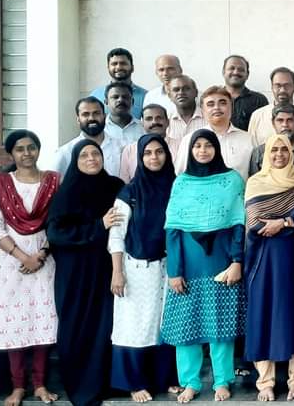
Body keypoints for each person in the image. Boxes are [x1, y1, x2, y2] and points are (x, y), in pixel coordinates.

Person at [161, 130, 246, 403]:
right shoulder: (181, 183)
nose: (202, 150)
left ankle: (222, 381)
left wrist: (236, 261)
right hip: (189, 264)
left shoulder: (232, 180)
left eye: (208, 145)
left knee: (221, 326)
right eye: (197, 146)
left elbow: (238, 224)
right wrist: (174, 271)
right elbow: (173, 230)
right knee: (186, 326)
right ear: (190, 150)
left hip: (221, 262)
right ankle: (190, 382)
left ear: (216, 149)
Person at [47, 140, 126, 406]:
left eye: (96, 153)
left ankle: (107, 382)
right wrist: (98, 225)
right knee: (77, 325)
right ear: (75, 161)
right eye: (84, 155)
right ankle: (82, 386)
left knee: (106, 324)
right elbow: (57, 234)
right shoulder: (66, 193)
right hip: (75, 273)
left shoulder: (115, 187)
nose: (91, 158)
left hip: (106, 268)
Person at [243, 134, 294, 402]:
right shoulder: (256, 183)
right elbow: (255, 223)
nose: (279, 154)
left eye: (284, 150)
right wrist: (293, 226)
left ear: (291, 153)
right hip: (263, 263)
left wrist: (283, 223)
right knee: (264, 316)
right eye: (274, 150)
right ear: (266, 154)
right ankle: (265, 382)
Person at [0, 130, 61, 406]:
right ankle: (18, 386)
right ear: (12, 154)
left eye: (32, 147)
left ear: (38, 150)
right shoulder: (1, 184)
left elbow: (59, 221)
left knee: (43, 319)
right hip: (11, 264)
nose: (27, 153)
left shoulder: (53, 181)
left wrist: (40, 254)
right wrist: (23, 257)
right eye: (20, 149)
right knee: (14, 321)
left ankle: (40, 384)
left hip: (46, 260)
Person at [108, 134, 180, 402]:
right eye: (147, 153)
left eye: (159, 152)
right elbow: (116, 234)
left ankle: (165, 379)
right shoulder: (129, 193)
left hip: (167, 267)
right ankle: (134, 383)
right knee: (135, 325)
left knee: (163, 324)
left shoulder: (177, 186)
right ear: (139, 158)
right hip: (136, 269)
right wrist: (117, 271)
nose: (154, 157)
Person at [174, 86, 254, 179]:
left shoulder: (248, 139)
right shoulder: (190, 139)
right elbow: (180, 175)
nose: (216, 108)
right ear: (202, 111)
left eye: (222, 103)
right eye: (210, 104)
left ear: (232, 107)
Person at [54, 97, 124, 178]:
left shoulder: (122, 148)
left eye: (96, 113)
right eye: (85, 114)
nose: (91, 118)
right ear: (78, 119)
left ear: (104, 116)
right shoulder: (65, 152)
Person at [249, 67, 294, 145]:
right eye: (278, 86)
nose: (282, 90)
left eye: (287, 86)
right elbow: (253, 148)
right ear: (272, 87)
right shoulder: (257, 116)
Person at [248, 104, 294, 174]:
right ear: (273, 123)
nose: (285, 125)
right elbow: (255, 179)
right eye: (280, 120)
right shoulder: (259, 152)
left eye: (290, 120)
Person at [118, 104, 179, 182]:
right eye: (149, 119)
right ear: (142, 123)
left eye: (159, 118)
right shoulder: (130, 150)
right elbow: (124, 182)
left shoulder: (181, 146)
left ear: (167, 122)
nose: (154, 122)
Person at [89, 48, 148, 119]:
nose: (119, 67)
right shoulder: (96, 95)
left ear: (132, 67)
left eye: (123, 63)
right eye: (114, 64)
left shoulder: (145, 96)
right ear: (108, 68)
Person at [222, 55, 269, 131]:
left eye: (241, 69)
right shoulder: (213, 99)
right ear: (223, 72)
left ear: (247, 74)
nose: (236, 72)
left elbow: (264, 130)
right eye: (231, 68)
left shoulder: (259, 100)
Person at [164, 75, 205, 141]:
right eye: (176, 90)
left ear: (196, 92)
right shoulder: (166, 120)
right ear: (169, 96)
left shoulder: (208, 117)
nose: (181, 93)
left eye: (186, 88)